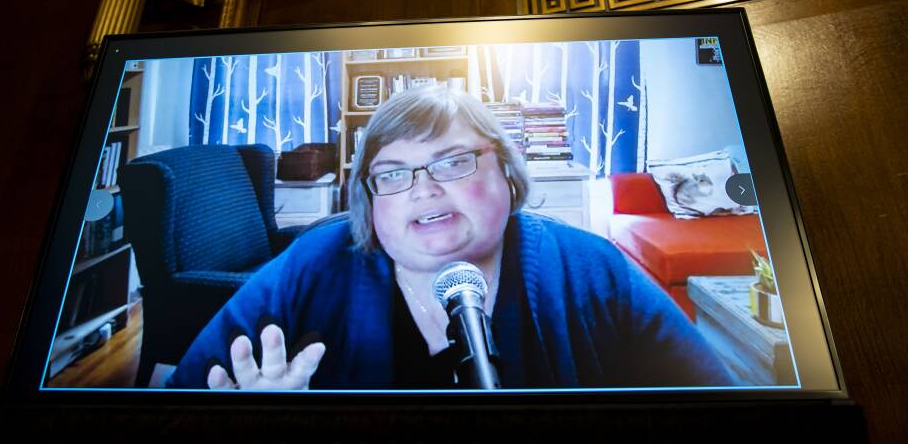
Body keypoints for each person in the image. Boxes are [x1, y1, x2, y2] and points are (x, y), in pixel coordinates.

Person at [166, 86, 733, 390]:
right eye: (392, 173)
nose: (423, 189)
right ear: (369, 201)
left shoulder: (590, 268)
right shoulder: (316, 262)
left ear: (508, 178)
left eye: (454, 162)